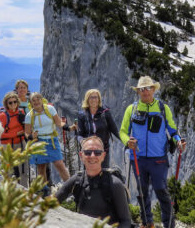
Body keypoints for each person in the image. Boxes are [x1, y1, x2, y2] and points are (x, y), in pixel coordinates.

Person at [119, 76, 186, 228]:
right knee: (142, 192)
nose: (145, 92)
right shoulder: (132, 109)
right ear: (138, 92)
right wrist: (127, 142)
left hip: (158, 159)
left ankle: (169, 224)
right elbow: (123, 131)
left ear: (154, 90)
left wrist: (178, 141)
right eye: (142, 89)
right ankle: (147, 223)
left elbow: (173, 131)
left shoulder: (163, 108)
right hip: (138, 157)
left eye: (148, 88)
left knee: (161, 189)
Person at [55, 136, 131, 228]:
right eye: (87, 152)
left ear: (103, 156)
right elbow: (52, 202)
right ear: (81, 155)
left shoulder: (114, 184)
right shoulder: (77, 181)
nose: (92, 156)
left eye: (97, 153)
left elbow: (126, 221)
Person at [25, 92, 71, 192]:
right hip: (38, 142)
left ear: (42, 100)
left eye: (38, 99)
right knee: (41, 167)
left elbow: (58, 122)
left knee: (59, 164)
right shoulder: (29, 115)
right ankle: (45, 191)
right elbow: (27, 132)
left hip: (52, 140)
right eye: (34, 100)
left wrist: (68, 128)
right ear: (31, 103)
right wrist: (31, 136)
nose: (36, 102)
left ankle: (71, 188)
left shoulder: (50, 109)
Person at [77, 89, 120, 168]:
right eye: (91, 97)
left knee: (104, 172)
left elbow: (114, 130)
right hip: (88, 152)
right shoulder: (82, 115)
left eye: (96, 97)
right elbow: (79, 134)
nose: (94, 100)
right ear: (87, 99)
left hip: (103, 150)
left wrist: (126, 141)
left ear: (99, 99)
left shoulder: (105, 112)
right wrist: (82, 141)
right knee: (89, 173)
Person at [0, 91, 29, 187]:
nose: (13, 104)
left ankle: (25, 191)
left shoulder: (21, 112)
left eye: (15, 102)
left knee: (23, 168)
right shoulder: (3, 116)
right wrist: (16, 133)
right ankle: (10, 191)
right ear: (6, 104)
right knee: (9, 170)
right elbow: (0, 134)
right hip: (7, 146)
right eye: (10, 102)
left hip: (21, 143)